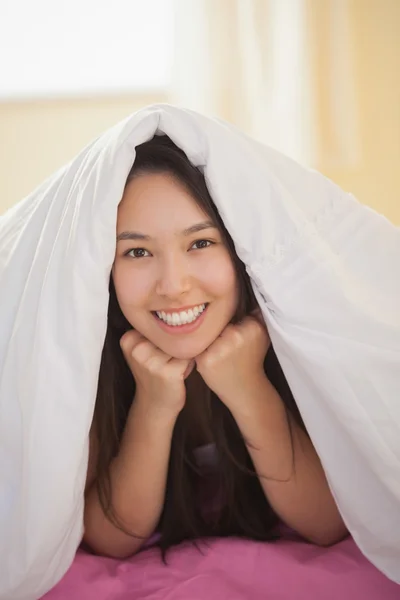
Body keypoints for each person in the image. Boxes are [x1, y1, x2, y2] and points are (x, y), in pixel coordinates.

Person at [83, 135, 348, 560]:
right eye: (136, 251)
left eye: (201, 243)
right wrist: (153, 404)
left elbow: (327, 522)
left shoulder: (299, 337)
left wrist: (247, 387)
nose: (173, 286)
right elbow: (110, 538)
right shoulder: (86, 360)